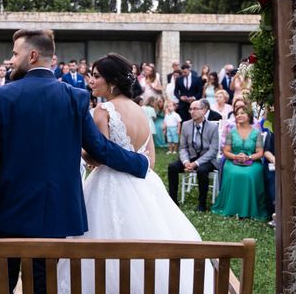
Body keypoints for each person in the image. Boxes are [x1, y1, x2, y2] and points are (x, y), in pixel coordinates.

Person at [0, 31, 149, 294]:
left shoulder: (1, 96)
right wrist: (139, 163)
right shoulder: (75, 97)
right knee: (43, 286)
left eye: (15, 53)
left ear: (32, 56)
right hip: (53, 217)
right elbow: (99, 149)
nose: (10, 60)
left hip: (5, 217)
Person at [58, 53, 213, 293]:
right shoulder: (140, 110)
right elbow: (150, 160)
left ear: (112, 82)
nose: (91, 80)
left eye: (96, 76)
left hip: (108, 184)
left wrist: (79, 152)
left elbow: (101, 157)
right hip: (144, 185)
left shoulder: (103, 110)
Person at [212, 106, 267, 220]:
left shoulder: (256, 133)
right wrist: (235, 156)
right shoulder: (231, 132)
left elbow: (260, 153)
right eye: (237, 114)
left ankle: (249, 209)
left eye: (243, 113)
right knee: (234, 174)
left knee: (249, 175)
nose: (239, 115)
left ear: (249, 116)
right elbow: (226, 151)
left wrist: (249, 157)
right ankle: (232, 208)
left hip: (253, 162)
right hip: (232, 161)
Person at [167, 100, 220, 212]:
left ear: (204, 110)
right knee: (172, 167)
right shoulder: (186, 125)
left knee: (201, 170)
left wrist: (196, 163)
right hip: (190, 156)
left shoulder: (213, 127)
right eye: (190, 109)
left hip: (207, 159)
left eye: (195, 109)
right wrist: (186, 161)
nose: (192, 111)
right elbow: (183, 147)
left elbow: (213, 150)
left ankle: (202, 204)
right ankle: (172, 201)